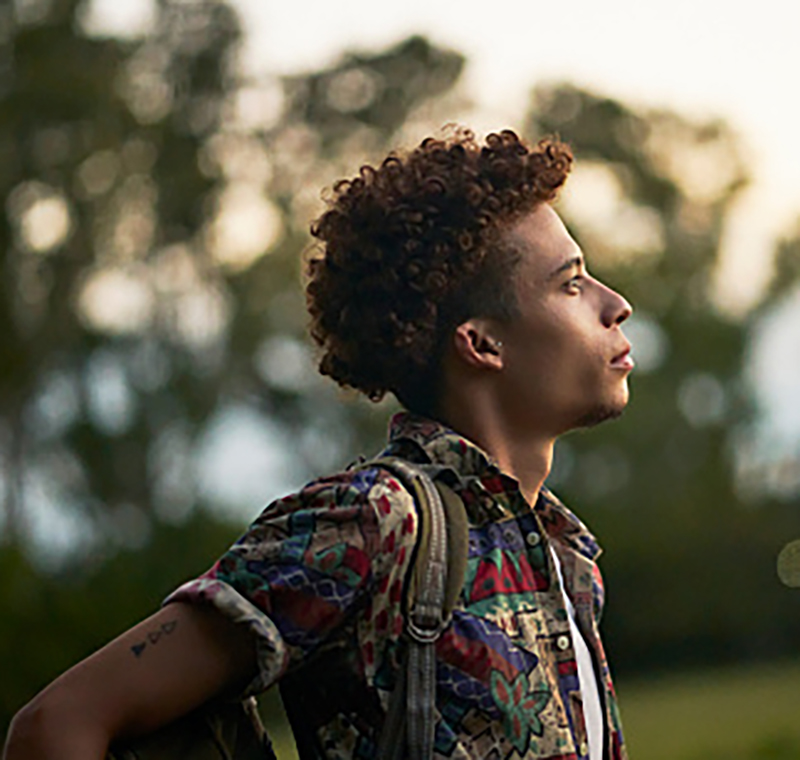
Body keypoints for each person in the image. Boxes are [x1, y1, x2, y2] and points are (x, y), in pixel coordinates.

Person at [3, 128, 633, 760]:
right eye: (571, 284)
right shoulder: (376, 522)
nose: (618, 305)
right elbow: (57, 725)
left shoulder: (559, 551)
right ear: (482, 344)